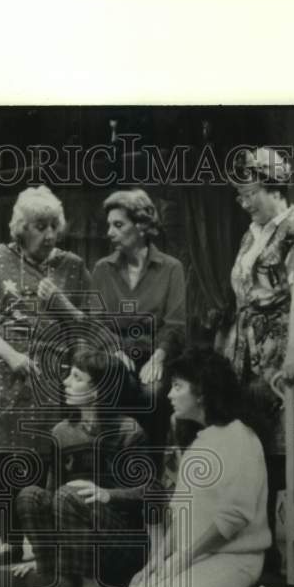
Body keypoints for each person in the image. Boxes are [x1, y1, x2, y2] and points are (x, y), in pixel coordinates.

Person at [118, 348, 294, 587]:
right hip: (197, 557)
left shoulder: (239, 437)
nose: (169, 394)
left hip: (235, 560)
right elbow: (182, 512)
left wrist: (181, 559)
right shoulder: (199, 440)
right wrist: (158, 559)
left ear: (202, 392)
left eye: (178, 386)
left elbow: (233, 519)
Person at [0, 186, 92, 566]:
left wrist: (75, 362)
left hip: (50, 381)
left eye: (54, 225)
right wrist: (13, 355)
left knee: (41, 462)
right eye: (40, 225)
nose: (49, 234)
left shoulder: (71, 265)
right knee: (2, 465)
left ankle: (44, 545)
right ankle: (9, 541)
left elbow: (85, 324)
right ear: (21, 228)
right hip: (2, 380)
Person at [219, 147, 294, 577]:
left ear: (272, 186)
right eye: (240, 196)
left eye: (249, 193)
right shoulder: (252, 233)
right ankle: (262, 547)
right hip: (250, 347)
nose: (244, 202)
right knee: (257, 449)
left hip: (288, 342)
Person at [15, 347, 163, 587]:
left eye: (76, 377)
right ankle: (66, 585)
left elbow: (151, 492)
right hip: (75, 528)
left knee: (69, 496)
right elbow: (51, 491)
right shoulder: (61, 432)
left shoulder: (128, 431)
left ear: (97, 392)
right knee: (30, 496)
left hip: (121, 537)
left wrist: (107, 494)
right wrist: (40, 552)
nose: (66, 383)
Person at [90, 189, 187, 447]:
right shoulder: (102, 269)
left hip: (153, 357)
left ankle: (149, 475)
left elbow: (175, 325)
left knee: (153, 393)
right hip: (115, 357)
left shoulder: (171, 268)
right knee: (112, 379)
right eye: (109, 225)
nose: (110, 232)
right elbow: (96, 322)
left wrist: (158, 357)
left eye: (118, 225)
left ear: (142, 226)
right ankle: (110, 473)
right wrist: (114, 350)